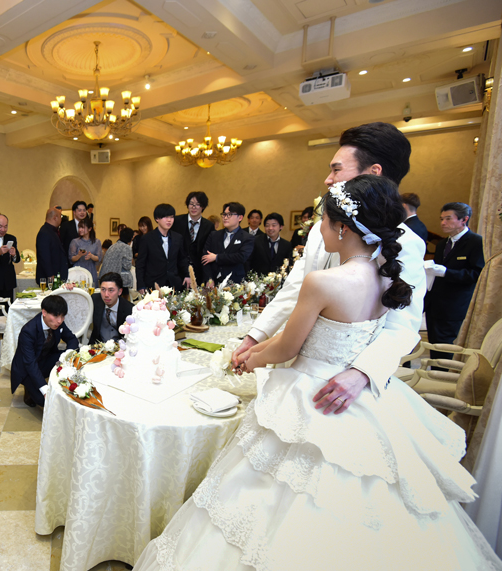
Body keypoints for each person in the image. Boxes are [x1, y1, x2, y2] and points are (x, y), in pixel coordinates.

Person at [134, 175, 502, 571]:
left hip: (310, 395)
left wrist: (249, 359)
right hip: (359, 400)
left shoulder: (323, 281)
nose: (319, 229)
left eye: (323, 221)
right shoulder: (387, 277)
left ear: (342, 228)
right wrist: (257, 346)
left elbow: (289, 347)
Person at [233, 121, 423, 419]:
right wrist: (255, 337)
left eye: (336, 169)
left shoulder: (404, 243)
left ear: (373, 172)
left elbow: (403, 325)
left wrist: (361, 373)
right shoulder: (321, 230)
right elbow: (295, 288)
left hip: (345, 387)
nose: (328, 179)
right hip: (298, 368)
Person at [424, 202, 484, 361]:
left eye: (448, 219)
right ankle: (434, 371)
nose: (443, 223)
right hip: (434, 302)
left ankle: (442, 374)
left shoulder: (476, 242)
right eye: (441, 219)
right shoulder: (442, 244)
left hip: (454, 303)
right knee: (433, 344)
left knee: (444, 345)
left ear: (464, 220)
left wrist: (446, 272)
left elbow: (476, 274)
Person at [10, 294, 79, 408]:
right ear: (44, 312)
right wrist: (45, 389)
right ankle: (29, 389)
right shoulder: (28, 331)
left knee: (74, 354)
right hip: (27, 369)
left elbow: (72, 339)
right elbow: (30, 363)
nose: (59, 321)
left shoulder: (58, 323)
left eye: (62, 316)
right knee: (47, 402)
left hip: (45, 359)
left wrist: (68, 355)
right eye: (56, 316)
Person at [136, 204, 191, 294]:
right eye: (165, 217)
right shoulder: (147, 239)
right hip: (154, 284)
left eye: (172, 217)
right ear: (157, 219)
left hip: (174, 283)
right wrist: (140, 284)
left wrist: (187, 275)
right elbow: (140, 263)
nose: (169, 220)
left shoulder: (178, 238)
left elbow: (182, 259)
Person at [202, 202, 255, 284]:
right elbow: (205, 257)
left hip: (235, 282)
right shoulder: (214, 235)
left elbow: (241, 257)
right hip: (213, 281)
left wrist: (217, 257)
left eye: (229, 215)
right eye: (224, 214)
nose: (225, 218)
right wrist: (209, 279)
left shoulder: (247, 238)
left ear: (240, 217)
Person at [171, 191, 214, 285]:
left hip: (200, 272)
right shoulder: (176, 222)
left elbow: (209, 251)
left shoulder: (209, 226)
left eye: (197, 204)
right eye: (191, 204)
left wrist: (209, 277)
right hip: (178, 272)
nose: (193, 207)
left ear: (203, 206)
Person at [88, 272, 133, 344]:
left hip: (121, 346)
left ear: (120, 291)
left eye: (111, 290)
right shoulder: (95, 300)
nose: (106, 295)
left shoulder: (129, 309)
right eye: (103, 289)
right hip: (98, 345)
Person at [36, 207, 68, 284]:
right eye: (60, 216)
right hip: (50, 277)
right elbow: (44, 256)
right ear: (55, 218)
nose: (61, 219)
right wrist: (50, 275)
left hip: (56, 275)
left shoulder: (52, 231)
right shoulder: (44, 232)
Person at [69, 217, 102, 284]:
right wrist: (79, 255)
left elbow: (99, 258)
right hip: (78, 270)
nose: (80, 230)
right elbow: (71, 258)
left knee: (91, 288)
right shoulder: (75, 242)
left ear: (90, 229)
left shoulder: (96, 242)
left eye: (83, 228)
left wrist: (91, 256)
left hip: (91, 269)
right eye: (79, 227)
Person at [101, 227, 135, 291]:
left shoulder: (112, 246)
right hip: (118, 280)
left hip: (106, 277)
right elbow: (127, 266)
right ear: (130, 238)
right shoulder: (127, 247)